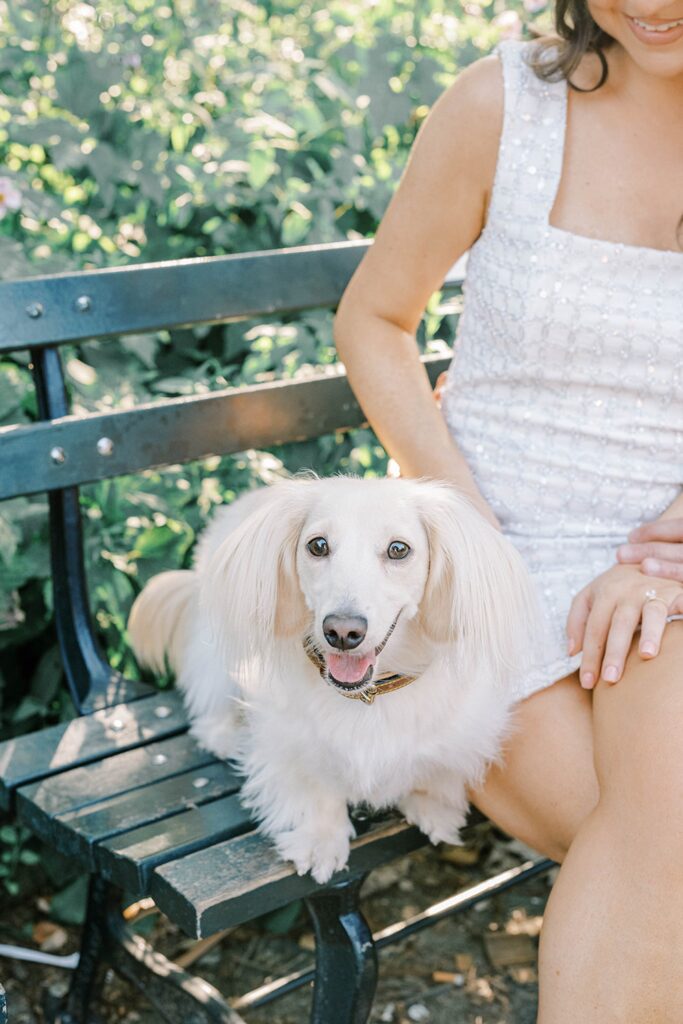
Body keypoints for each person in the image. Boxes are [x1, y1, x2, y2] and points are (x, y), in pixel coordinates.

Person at [333, 0, 683, 1019]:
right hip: (487, 554)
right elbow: (374, 318)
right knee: (660, 849)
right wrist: (455, 513)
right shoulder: (502, 106)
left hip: (653, 567)